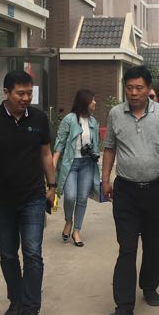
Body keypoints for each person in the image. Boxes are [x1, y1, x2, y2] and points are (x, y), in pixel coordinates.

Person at [102, 65, 159, 315]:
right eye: (129, 88)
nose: (134, 93)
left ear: (149, 89)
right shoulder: (116, 114)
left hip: (156, 189)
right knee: (127, 248)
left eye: (139, 88)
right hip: (125, 190)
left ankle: (149, 286)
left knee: (152, 244)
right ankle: (124, 307)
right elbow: (110, 148)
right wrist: (105, 179)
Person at [0, 71, 56, 315]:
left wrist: (52, 186)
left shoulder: (39, 118)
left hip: (33, 197)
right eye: (20, 93)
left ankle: (31, 312)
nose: (25, 98)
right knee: (9, 254)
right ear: (6, 92)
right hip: (2, 199)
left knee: (33, 254)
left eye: (29, 93)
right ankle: (16, 301)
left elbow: (45, 154)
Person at [52, 89, 100, 247]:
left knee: (82, 198)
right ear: (85, 102)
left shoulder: (93, 122)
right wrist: (53, 163)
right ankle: (68, 221)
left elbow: (95, 145)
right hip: (71, 164)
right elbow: (60, 142)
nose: (95, 102)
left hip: (87, 164)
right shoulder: (69, 119)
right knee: (70, 196)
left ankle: (76, 230)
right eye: (92, 100)